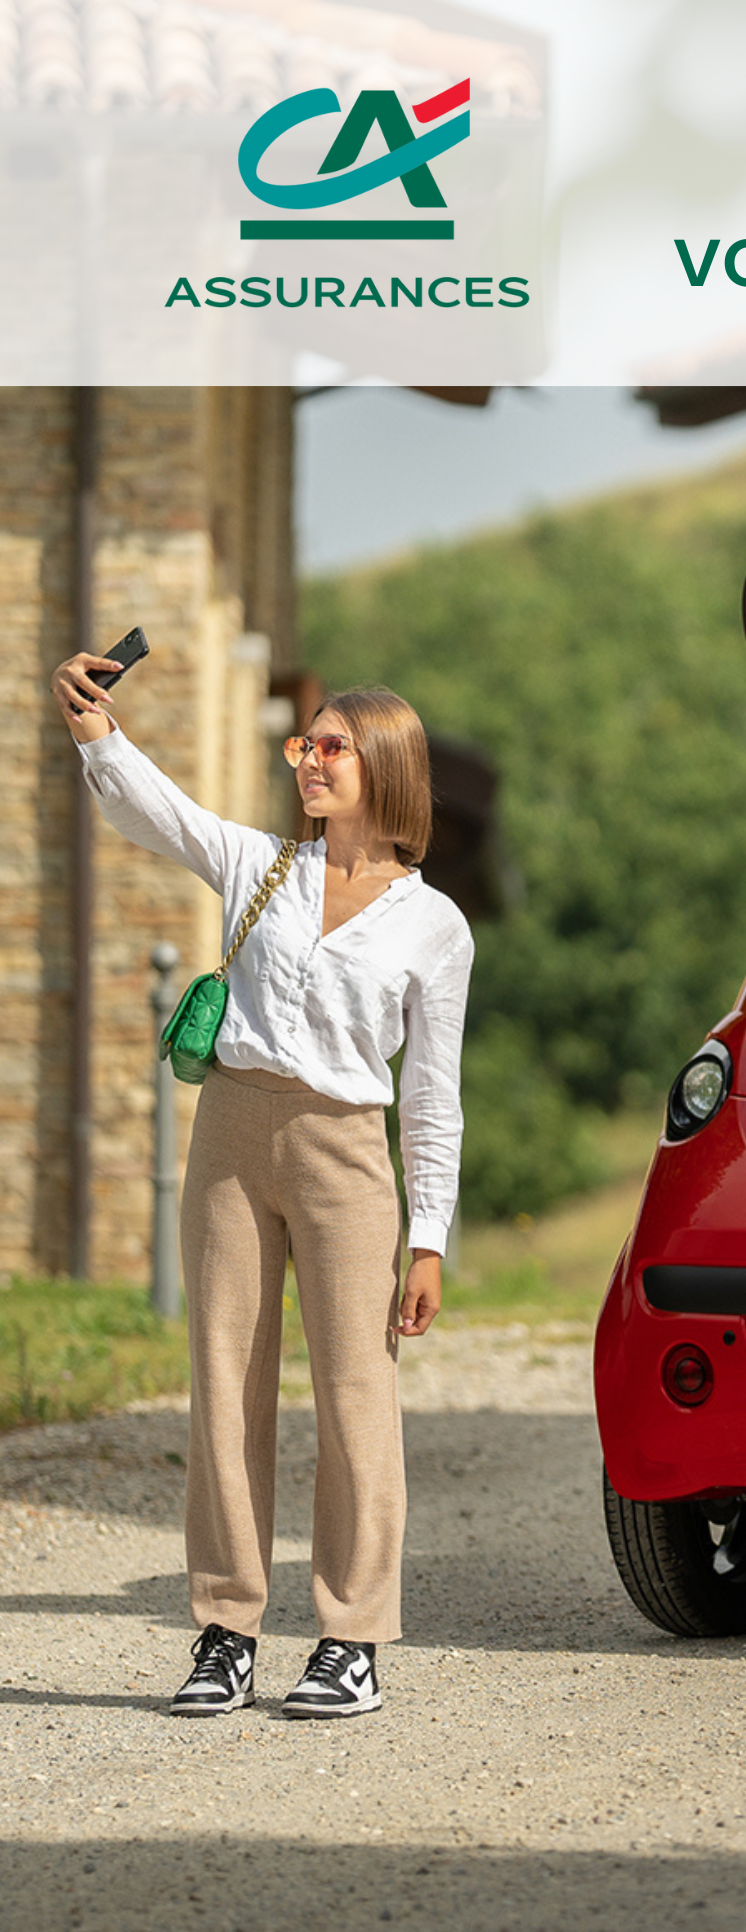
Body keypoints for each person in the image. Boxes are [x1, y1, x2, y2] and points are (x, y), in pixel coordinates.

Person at [52, 653, 474, 1719]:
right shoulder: (260, 863)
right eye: (306, 745)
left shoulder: (435, 926)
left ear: (385, 767)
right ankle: (226, 1626)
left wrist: (429, 1232)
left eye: (332, 747)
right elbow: (161, 811)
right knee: (225, 1381)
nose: (311, 761)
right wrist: (95, 724)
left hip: (346, 1153)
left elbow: (430, 1094)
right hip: (233, 1132)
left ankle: (352, 1638)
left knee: (355, 1396)